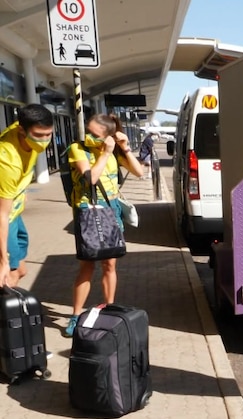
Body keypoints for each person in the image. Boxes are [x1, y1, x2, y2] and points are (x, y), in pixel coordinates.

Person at [65, 113, 144, 336]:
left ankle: (108, 308)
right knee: (87, 264)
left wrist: (124, 147)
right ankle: (75, 315)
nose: (88, 136)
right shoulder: (78, 149)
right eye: (87, 131)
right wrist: (105, 153)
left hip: (111, 209)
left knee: (110, 264)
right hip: (87, 210)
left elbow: (139, 172)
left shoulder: (114, 151)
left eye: (94, 133)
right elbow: (90, 178)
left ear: (107, 135)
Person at [0, 104, 54, 288]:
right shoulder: (7, 160)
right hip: (4, 218)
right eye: (38, 135)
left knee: (21, 271)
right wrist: (3, 261)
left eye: (48, 134)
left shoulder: (19, 127)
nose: (44, 141)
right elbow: (1, 215)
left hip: (13, 214)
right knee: (9, 277)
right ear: (22, 131)